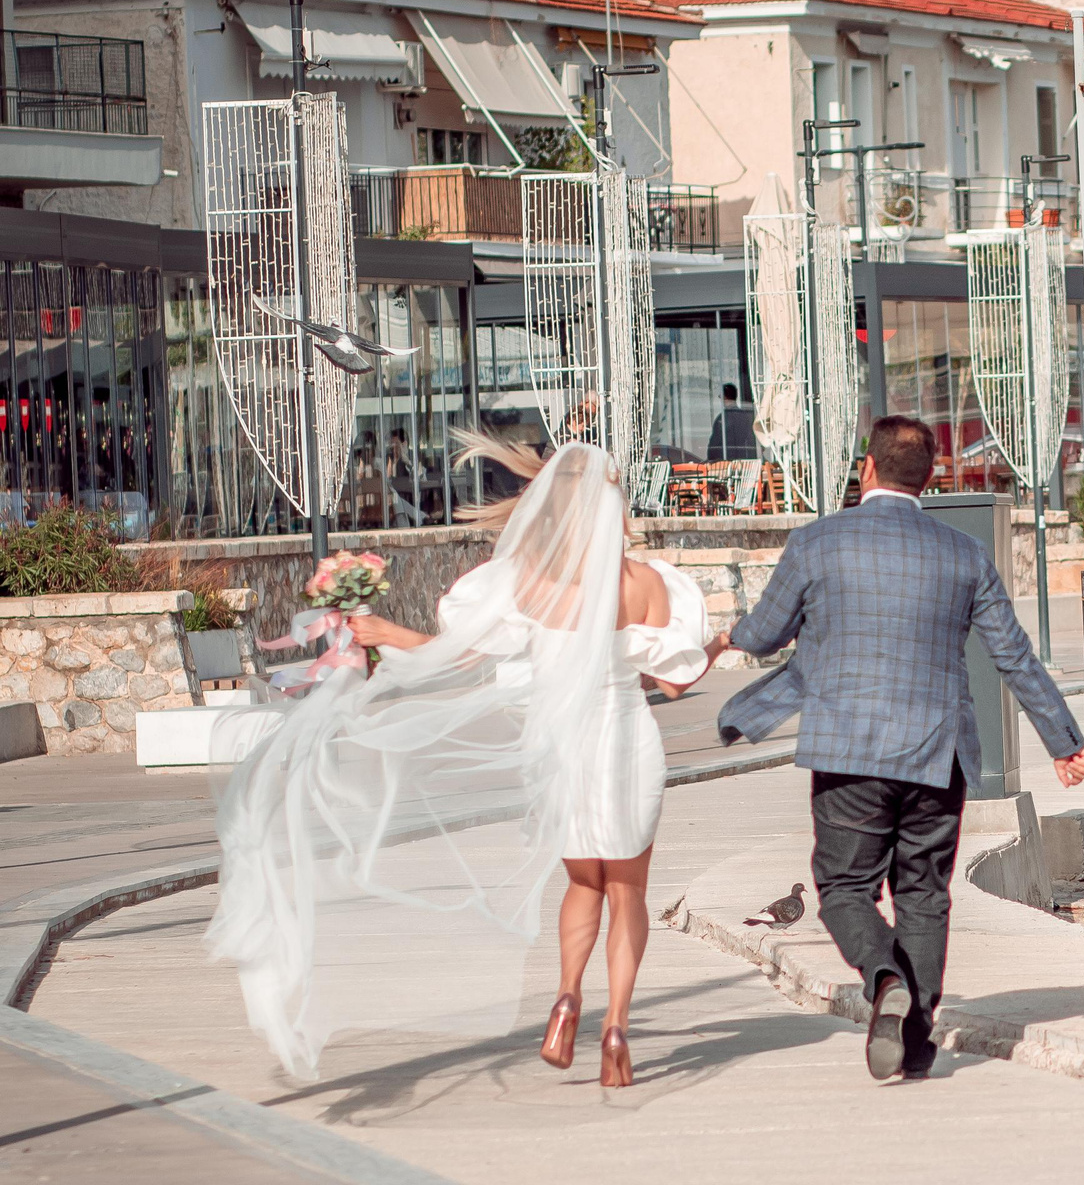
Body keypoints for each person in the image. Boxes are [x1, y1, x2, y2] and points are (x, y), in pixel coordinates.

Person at [208, 438, 709, 1088]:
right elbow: (672, 685)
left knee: (583, 885)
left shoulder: (532, 584)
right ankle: (616, 1025)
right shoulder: (643, 583)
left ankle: (565, 1000)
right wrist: (704, 646)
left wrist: (387, 634)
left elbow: (463, 656)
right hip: (627, 739)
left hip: (567, 749)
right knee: (628, 891)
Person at [706, 415, 1084, 1083]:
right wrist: (1063, 740)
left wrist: (724, 636)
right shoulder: (963, 555)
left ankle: (884, 978)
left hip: (848, 751)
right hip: (937, 756)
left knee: (845, 887)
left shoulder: (818, 542)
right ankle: (914, 1044)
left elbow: (765, 635)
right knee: (923, 894)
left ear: (868, 470)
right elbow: (1015, 655)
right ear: (931, 478)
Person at [705, 383, 758, 462]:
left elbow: (714, 443)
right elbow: (751, 439)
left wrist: (711, 459)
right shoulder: (745, 417)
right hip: (743, 461)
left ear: (724, 397)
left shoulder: (722, 419)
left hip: (725, 463)